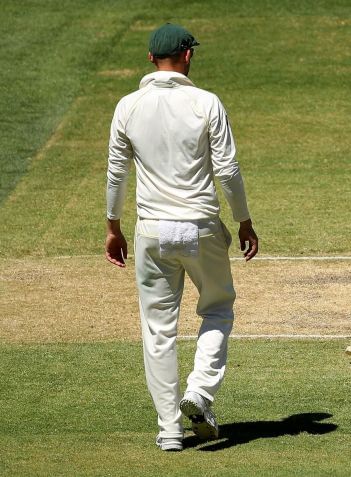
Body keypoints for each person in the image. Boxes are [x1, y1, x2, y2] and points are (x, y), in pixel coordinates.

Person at [104, 23, 259, 451]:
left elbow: (117, 172)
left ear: (151, 58)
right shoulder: (205, 102)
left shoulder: (127, 106)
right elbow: (227, 170)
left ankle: (169, 429)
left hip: (151, 230)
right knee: (217, 309)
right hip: (201, 226)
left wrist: (113, 226)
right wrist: (244, 221)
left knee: (158, 330)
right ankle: (201, 392)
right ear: (188, 56)